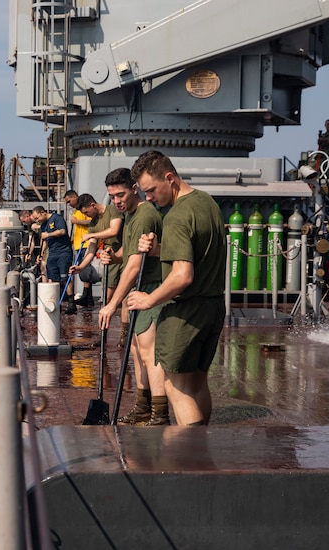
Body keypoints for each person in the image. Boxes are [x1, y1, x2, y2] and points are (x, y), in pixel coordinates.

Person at [126, 150, 226, 426]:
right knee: (197, 383)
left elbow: (182, 276)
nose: (148, 198)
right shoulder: (206, 203)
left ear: (169, 178)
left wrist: (149, 300)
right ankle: (201, 452)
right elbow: (198, 253)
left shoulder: (176, 217)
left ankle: (191, 457)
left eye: (151, 190)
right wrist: (160, 249)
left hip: (186, 312)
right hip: (213, 307)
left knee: (176, 387)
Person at [96, 168, 168, 425]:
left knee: (150, 354)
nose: (117, 201)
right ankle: (142, 407)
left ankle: (159, 414)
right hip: (139, 289)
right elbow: (130, 251)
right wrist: (114, 257)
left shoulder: (144, 215)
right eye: (112, 196)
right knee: (137, 351)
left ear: (134, 189)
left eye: (121, 194)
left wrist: (112, 304)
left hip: (150, 287)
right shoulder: (130, 215)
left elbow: (136, 264)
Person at [69, 193, 123, 310]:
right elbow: (91, 250)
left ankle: (125, 327)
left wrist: (91, 235)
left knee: (127, 299)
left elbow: (114, 230)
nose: (86, 216)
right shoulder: (93, 223)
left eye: (86, 212)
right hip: (110, 259)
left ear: (93, 205)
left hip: (124, 254)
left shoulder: (112, 210)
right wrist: (80, 267)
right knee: (108, 298)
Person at [32, 205, 75, 313]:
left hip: (63, 252)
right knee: (52, 278)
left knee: (65, 277)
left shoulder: (57, 218)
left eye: (37, 218)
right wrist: (41, 254)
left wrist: (49, 234)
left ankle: (71, 303)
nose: (37, 221)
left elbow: (62, 231)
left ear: (43, 212)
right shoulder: (43, 225)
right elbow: (45, 241)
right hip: (52, 253)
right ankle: (56, 302)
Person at [64, 190, 92, 307]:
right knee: (83, 271)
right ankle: (87, 296)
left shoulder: (84, 208)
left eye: (69, 201)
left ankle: (87, 296)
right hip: (78, 243)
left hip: (86, 243)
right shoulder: (76, 210)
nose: (68, 204)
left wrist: (77, 221)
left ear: (75, 197)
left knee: (86, 270)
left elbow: (90, 222)